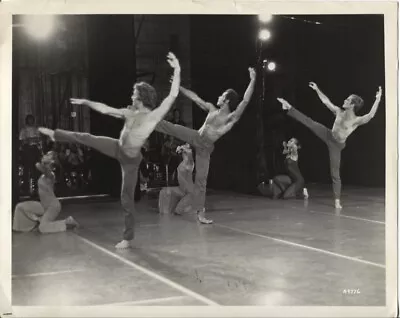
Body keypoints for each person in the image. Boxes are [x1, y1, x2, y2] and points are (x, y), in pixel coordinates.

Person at [38, 52, 181, 249]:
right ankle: (56, 134)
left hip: (131, 160)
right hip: (117, 147)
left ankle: (128, 238)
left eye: (134, 93)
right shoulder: (129, 112)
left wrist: (178, 69)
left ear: (141, 97)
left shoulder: (152, 117)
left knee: (126, 199)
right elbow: (105, 109)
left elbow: (172, 96)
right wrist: (87, 102)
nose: (131, 95)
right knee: (88, 138)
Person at [155, 67, 256, 223]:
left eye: (222, 96)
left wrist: (253, 80)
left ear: (227, 100)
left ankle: (200, 214)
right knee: (173, 128)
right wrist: (179, 87)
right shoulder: (211, 109)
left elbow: (245, 101)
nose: (219, 96)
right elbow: (195, 98)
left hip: (205, 147)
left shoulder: (230, 118)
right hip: (196, 136)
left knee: (201, 181)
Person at [277, 83, 382, 208]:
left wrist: (378, 99)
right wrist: (317, 90)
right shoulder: (338, 111)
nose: (344, 100)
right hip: (328, 135)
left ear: (352, 105)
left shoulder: (356, 121)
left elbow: (370, 115)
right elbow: (326, 102)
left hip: (337, 145)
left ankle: (337, 200)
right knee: (311, 123)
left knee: (335, 172)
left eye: (348, 100)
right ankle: (289, 107)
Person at [13, 151, 79, 233]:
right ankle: (31, 225)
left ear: (52, 161)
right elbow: (41, 168)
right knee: (20, 207)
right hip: (42, 205)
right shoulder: (43, 175)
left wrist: (41, 163)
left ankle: (67, 222)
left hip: (53, 206)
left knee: (43, 228)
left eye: (48, 155)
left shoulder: (51, 175)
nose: (45, 155)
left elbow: (40, 167)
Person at [159, 143, 195, 215]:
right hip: (182, 187)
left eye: (187, 145)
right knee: (163, 192)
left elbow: (189, 153)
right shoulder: (183, 162)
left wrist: (183, 148)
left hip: (189, 190)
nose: (185, 145)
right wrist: (180, 148)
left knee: (178, 210)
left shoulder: (190, 162)